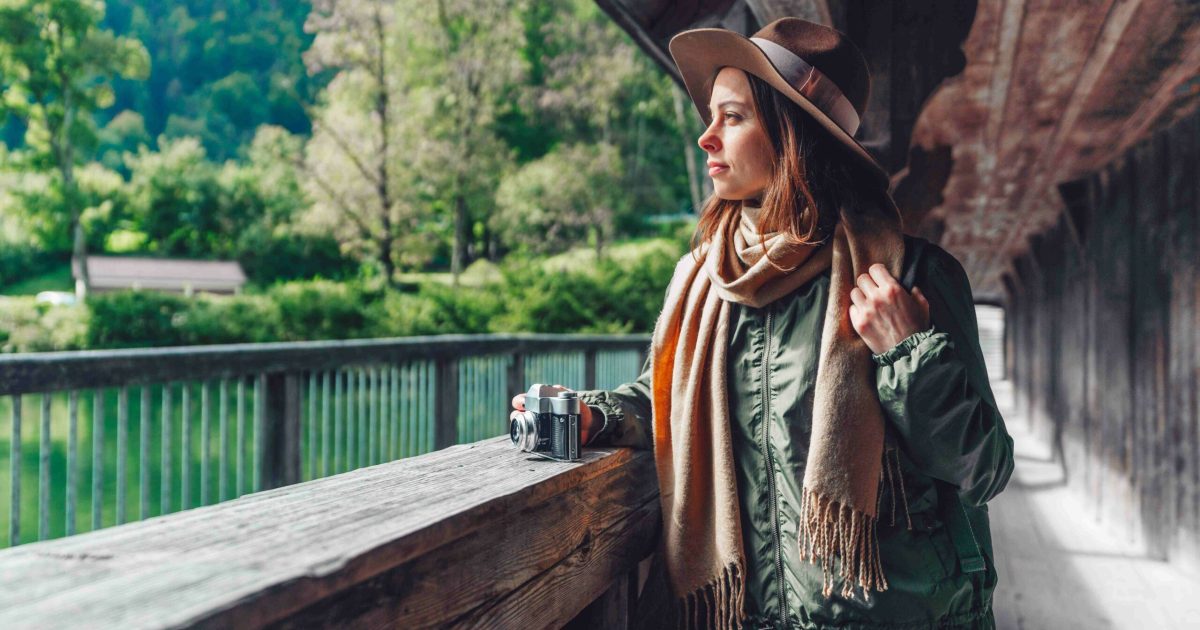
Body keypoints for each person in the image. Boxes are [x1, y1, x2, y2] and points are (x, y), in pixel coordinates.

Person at [510, 17, 1014, 630]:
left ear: (791, 133)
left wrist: (907, 351)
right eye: (711, 117)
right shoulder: (706, 282)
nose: (706, 139)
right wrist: (595, 415)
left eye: (733, 117)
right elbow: (667, 398)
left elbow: (983, 467)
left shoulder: (911, 275)